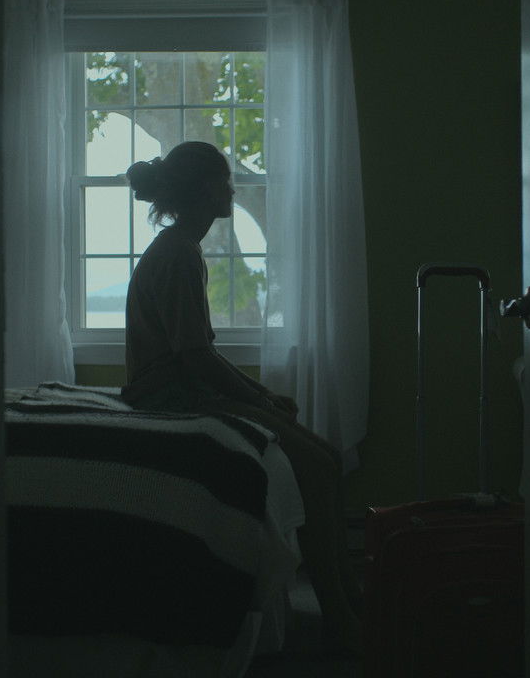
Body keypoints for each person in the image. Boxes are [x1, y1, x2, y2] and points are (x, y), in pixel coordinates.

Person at [120, 141, 363, 655]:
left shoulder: (181, 247)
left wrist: (262, 395)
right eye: (226, 181)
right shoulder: (178, 253)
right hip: (171, 398)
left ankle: (349, 598)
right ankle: (340, 615)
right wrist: (262, 396)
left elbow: (196, 352)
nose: (232, 190)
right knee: (317, 468)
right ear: (207, 190)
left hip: (183, 387)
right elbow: (194, 358)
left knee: (322, 456)